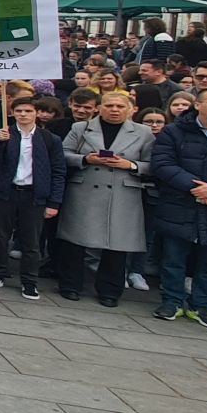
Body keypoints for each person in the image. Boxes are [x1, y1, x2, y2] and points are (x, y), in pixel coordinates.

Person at [56, 89, 152, 307]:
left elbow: (155, 164)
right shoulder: (80, 128)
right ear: (99, 107)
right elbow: (63, 153)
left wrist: (131, 165)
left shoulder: (144, 132)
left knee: (116, 244)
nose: (114, 110)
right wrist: (86, 159)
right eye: (109, 106)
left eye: (120, 106)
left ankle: (110, 290)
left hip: (122, 192)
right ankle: (70, 285)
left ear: (130, 109)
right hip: (86, 188)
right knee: (75, 241)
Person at [148, 85, 207, 328]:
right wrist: (196, 188)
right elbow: (162, 164)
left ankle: (201, 306)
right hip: (180, 204)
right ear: (198, 105)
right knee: (173, 258)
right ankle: (171, 301)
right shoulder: (174, 132)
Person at [0, 97, 68, 300]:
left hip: (33, 194)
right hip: (6, 192)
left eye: (28, 111)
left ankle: (29, 281)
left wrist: (54, 202)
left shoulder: (50, 139)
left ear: (36, 113)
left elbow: (58, 171)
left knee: (31, 241)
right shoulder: (2, 134)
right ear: (12, 113)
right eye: (19, 111)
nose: (23, 114)